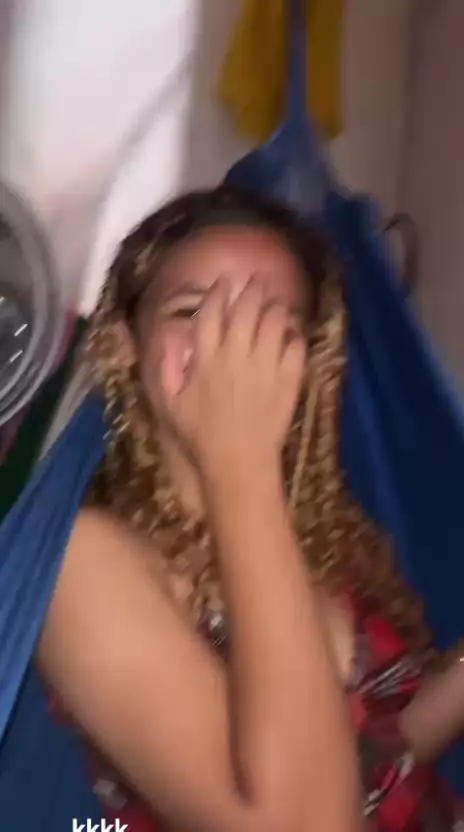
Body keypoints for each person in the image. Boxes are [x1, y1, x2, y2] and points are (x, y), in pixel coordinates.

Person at [37, 186, 464, 831]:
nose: (230, 348)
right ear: (125, 343)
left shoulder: (315, 529)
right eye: (191, 311)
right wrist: (238, 464)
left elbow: (376, 762)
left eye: (270, 324)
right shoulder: (84, 562)